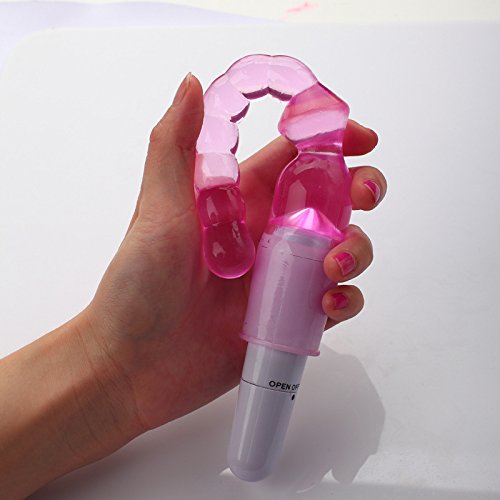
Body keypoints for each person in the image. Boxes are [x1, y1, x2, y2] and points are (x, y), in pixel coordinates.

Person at [0, 73, 386, 498]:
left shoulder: (311, 172)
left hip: (283, 286)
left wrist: (109, 371)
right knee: (252, 457)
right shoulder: (305, 172)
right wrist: (109, 364)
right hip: (273, 280)